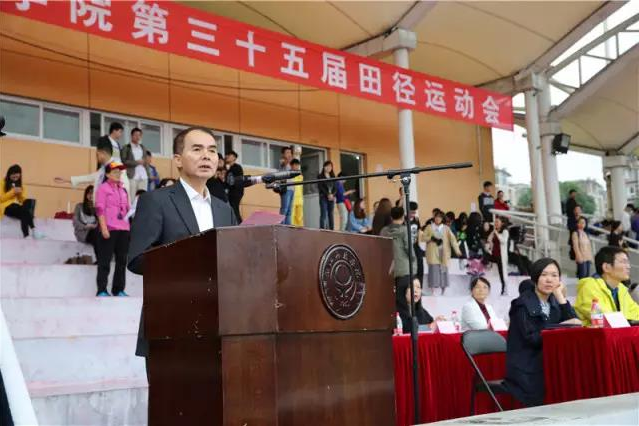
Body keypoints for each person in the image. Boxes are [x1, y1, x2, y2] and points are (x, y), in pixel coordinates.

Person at [128, 127, 237, 367]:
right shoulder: (155, 201)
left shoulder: (224, 209)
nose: (206, 156)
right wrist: (191, 256)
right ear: (178, 159)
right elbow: (137, 259)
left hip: (219, 328)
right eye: (197, 149)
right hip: (169, 325)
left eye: (212, 150)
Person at [504, 258, 579, 407]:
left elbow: (575, 325)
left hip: (550, 363)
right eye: (544, 275)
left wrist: (561, 297)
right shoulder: (521, 304)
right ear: (535, 277)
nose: (549, 280)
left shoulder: (555, 302)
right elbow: (532, 338)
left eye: (554, 275)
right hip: (527, 368)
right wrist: (559, 327)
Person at [574, 246, 639, 326]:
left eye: (628, 263)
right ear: (606, 267)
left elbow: (635, 313)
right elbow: (602, 317)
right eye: (623, 262)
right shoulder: (590, 285)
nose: (628, 266)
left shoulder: (622, 289)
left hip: (619, 332)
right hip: (595, 333)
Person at [94, 161, 130, 297]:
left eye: (119, 172)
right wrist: (104, 228)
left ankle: (118, 289)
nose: (118, 174)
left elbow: (127, 209)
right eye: (115, 172)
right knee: (105, 260)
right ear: (108, 174)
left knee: (122, 261)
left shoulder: (123, 189)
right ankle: (102, 290)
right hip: (109, 228)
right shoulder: (103, 189)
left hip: (124, 229)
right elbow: (100, 209)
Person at [381, 207, 417, 319]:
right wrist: (414, 263)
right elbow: (409, 250)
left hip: (389, 270)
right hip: (404, 269)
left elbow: (380, 248)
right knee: (404, 300)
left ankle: (395, 323)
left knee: (391, 300)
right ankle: (407, 325)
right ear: (402, 217)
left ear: (391, 217)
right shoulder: (405, 230)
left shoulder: (384, 231)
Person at [423, 211, 461, 295]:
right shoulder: (429, 227)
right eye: (436, 217)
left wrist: (458, 251)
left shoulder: (446, 228)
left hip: (444, 254)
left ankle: (443, 291)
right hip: (433, 254)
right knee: (433, 272)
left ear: (442, 218)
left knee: (444, 272)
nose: (437, 218)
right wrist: (431, 238)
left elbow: (453, 240)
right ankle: (433, 291)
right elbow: (423, 237)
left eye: (440, 217)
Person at [1, 164, 42, 238]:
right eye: (13, 177)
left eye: (17, 177)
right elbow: (1, 199)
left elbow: (22, 200)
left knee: (28, 203)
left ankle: (27, 235)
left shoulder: (20, 185)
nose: (15, 179)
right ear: (9, 174)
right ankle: (33, 230)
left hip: (15, 206)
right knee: (26, 212)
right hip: (5, 206)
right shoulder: (2, 182)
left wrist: (20, 194)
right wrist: (12, 192)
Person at [121, 127, 150, 203]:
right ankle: (131, 211)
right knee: (131, 197)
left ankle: (141, 210)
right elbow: (124, 161)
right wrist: (136, 162)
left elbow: (146, 161)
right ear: (131, 136)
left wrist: (148, 173)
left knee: (143, 197)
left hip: (143, 175)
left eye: (139, 135)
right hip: (132, 175)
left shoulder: (143, 147)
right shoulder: (126, 147)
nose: (138, 137)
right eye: (136, 135)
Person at [484, 216, 509, 295]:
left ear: (502, 223)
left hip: (501, 256)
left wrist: (497, 233)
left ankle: (504, 289)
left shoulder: (505, 231)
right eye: (495, 222)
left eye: (497, 222)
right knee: (485, 256)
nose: (496, 223)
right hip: (494, 254)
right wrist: (493, 232)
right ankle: (488, 265)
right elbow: (489, 239)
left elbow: (503, 241)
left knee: (502, 273)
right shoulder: (495, 231)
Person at [72, 185, 98, 258]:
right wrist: (85, 226)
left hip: (94, 231)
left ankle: (101, 258)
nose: (91, 195)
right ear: (86, 195)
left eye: (93, 193)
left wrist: (95, 226)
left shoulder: (97, 208)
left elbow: (100, 222)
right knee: (98, 237)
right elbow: (75, 221)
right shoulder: (79, 206)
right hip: (82, 233)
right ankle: (99, 258)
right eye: (89, 193)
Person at [224, 150, 244, 223]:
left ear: (234, 158)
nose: (227, 156)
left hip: (236, 192)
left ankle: (239, 224)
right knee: (230, 209)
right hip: (228, 192)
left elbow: (238, 180)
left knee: (234, 208)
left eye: (229, 155)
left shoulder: (237, 167)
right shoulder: (225, 167)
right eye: (227, 155)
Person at [317, 161, 336, 230]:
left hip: (331, 197)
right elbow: (320, 187)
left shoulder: (333, 176)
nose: (329, 168)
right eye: (327, 166)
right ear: (324, 167)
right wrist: (328, 194)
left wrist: (332, 195)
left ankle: (332, 229)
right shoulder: (320, 176)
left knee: (331, 214)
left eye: (330, 166)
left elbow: (335, 188)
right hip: (323, 197)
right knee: (323, 214)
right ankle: (322, 229)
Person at [409, 202, 424, 283]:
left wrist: (419, 243)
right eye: (411, 212)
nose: (413, 214)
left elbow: (419, 231)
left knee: (420, 265)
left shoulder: (416, 220)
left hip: (415, 245)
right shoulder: (404, 220)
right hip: (408, 246)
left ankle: (419, 284)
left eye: (414, 212)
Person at [278, 146, 294, 225]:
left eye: (290, 153)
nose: (289, 154)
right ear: (283, 154)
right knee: (284, 209)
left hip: (292, 188)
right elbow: (282, 168)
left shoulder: (291, 164)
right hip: (286, 188)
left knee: (289, 211)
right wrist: (288, 161)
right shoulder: (282, 162)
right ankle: (281, 226)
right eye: (287, 153)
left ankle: (288, 227)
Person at [290, 159, 304, 227]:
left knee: (300, 215)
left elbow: (301, 186)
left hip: (300, 197)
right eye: (295, 165)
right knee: (292, 214)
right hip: (293, 197)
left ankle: (300, 227)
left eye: (298, 165)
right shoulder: (290, 174)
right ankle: (292, 227)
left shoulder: (300, 175)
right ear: (291, 166)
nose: (297, 167)